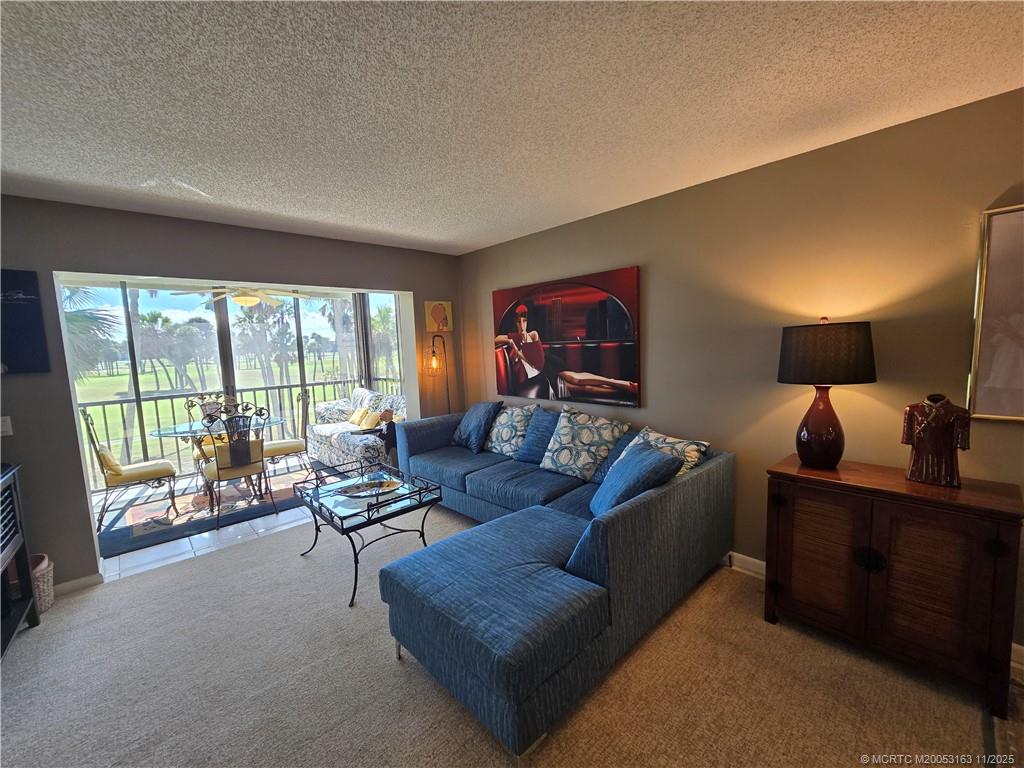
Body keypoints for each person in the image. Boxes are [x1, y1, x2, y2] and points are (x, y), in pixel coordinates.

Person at [494, 303, 638, 399]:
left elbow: (538, 361)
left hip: (549, 365)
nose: (522, 325)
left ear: (527, 321)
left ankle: (619, 383)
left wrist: (519, 352)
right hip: (540, 375)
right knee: (585, 389)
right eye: (519, 322)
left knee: (576, 379)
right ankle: (624, 392)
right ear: (515, 323)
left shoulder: (533, 334)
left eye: (524, 321)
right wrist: (509, 341)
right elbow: (495, 340)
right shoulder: (512, 337)